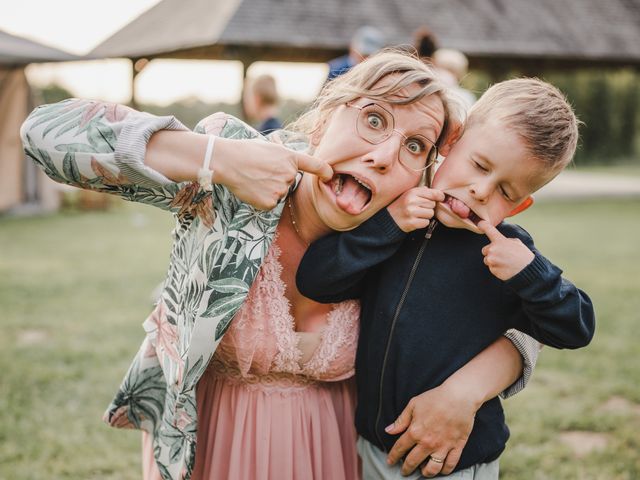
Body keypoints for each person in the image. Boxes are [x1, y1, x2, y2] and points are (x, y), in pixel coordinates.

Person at [21, 51, 540, 480]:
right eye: (374, 118)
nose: (383, 157)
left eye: (414, 146)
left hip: (335, 458)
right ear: (325, 116)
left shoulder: (403, 228)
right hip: (211, 453)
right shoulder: (232, 177)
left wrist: (463, 394)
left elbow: (530, 315)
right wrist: (216, 159)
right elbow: (44, 134)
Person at [297, 78, 596, 479]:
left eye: (505, 192)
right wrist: (389, 226)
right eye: (479, 166)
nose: (479, 190)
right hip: (371, 444)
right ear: (452, 143)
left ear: (521, 206)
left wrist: (532, 274)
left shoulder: (509, 254)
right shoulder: (397, 216)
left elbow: (575, 328)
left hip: (451, 460)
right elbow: (316, 280)